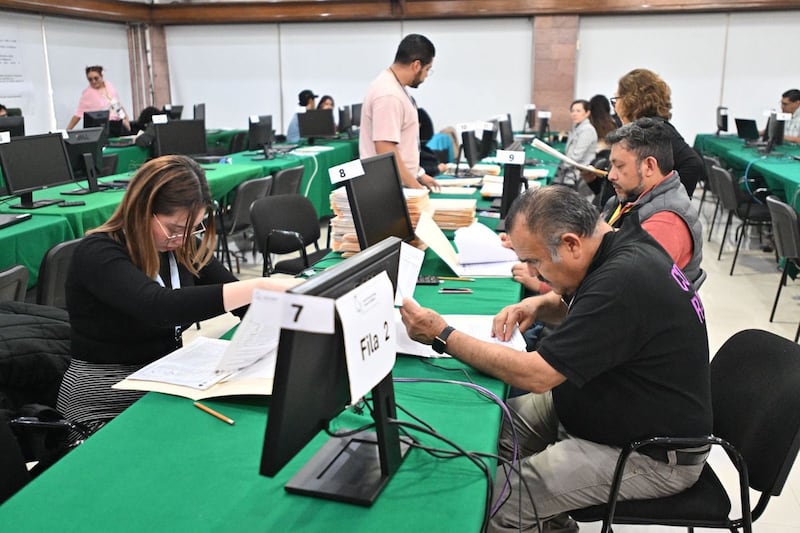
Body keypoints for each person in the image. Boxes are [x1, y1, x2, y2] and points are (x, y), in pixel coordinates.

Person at [400, 186, 712, 532]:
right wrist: (536, 304)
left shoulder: (623, 280)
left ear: (571, 244)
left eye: (535, 261)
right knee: (486, 433)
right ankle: (552, 522)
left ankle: (532, 516)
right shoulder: (620, 243)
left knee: (493, 501)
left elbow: (537, 376)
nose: (533, 274)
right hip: (604, 406)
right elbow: (592, 314)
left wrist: (442, 335)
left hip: (650, 453)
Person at [57, 155, 299, 438]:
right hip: (102, 402)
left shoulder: (180, 247)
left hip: (161, 385)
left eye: (192, 228)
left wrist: (290, 327)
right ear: (142, 210)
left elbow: (243, 304)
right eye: (173, 229)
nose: (182, 239)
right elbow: (159, 306)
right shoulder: (97, 253)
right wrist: (259, 287)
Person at [359, 34, 439, 191]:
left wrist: (419, 174)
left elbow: (403, 143)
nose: (425, 76)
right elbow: (385, 147)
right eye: (427, 70)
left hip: (398, 183)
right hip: (388, 187)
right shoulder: (389, 94)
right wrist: (414, 185)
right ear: (416, 65)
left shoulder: (395, 87)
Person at [612, 68, 705, 197]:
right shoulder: (644, 128)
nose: (615, 106)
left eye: (616, 99)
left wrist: (668, 201)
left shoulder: (653, 128)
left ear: (629, 100)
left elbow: (693, 164)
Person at [65, 65, 131, 131]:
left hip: (117, 124)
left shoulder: (109, 86)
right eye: (90, 80)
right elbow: (78, 114)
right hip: (103, 126)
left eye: (96, 78)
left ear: (101, 76)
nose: (93, 81)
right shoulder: (87, 94)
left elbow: (116, 105)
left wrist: (125, 119)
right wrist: (67, 130)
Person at [551, 99, 597, 188]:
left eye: (578, 111)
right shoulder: (577, 127)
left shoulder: (587, 130)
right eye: (572, 111)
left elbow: (575, 158)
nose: (574, 114)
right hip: (570, 172)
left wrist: (560, 167)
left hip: (577, 175)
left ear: (587, 113)